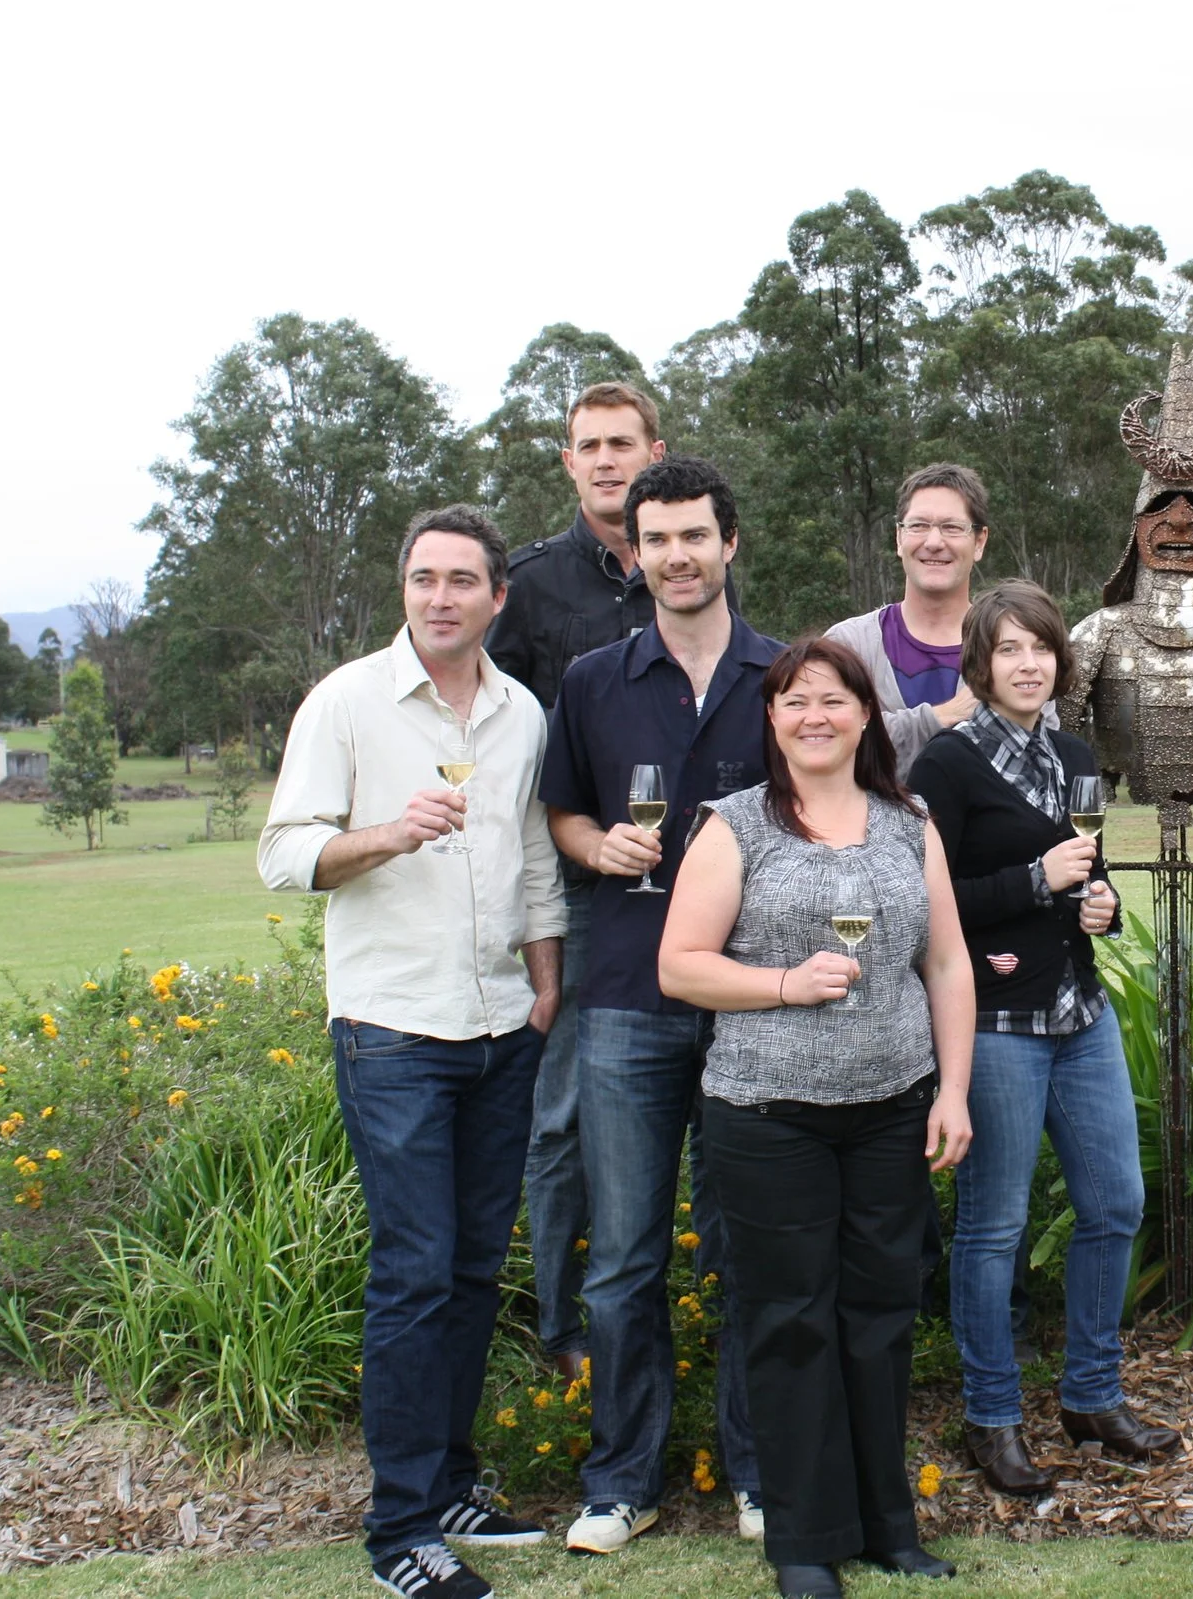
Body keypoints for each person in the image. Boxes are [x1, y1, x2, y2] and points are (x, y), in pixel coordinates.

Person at [259, 505, 563, 1599]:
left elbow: (532, 852)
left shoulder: (521, 712)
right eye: (423, 577)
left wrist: (546, 979)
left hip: (498, 1027)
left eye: (462, 580)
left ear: (497, 597)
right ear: (404, 589)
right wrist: (387, 830)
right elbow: (283, 852)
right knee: (414, 1271)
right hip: (393, 1028)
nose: (441, 596)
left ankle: (450, 1485)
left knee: (475, 1270)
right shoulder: (346, 701)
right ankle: (400, 1531)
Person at [658, 637, 976, 1599]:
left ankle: (889, 1524)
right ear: (773, 719)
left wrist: (953, 1090)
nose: (814, 716)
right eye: (794, 701)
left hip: (892, 1109)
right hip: (768, 1113)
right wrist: (787, 985)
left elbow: (948, 964)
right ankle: (803, 1539)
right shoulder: (737, 826)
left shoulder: (906, 821)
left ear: (865, 713)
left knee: (880, 1317)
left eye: (833, 699)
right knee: (790, 1320)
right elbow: (680, 966)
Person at [537, 455, 780, 1553]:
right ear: (633, 554)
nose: (677, 555)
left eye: (696, 535)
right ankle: (620, 1479)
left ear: (730, 544)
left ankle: (758, 1471)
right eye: (657, 539)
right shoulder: (591, 680)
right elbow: (564, 820)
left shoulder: (787, 676)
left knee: (747, 1250)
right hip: (628, 997)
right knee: (626, 1254)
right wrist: (602, 846)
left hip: (749, 1004)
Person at [909, 581, 1181, 1497]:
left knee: (1115, 1204)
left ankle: (1091, 1394)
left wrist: (1097, 904)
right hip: (993, 1024)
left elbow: (1086, 876)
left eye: (1042, 649)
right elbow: (925, 905)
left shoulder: (1073, 753)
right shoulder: (945, 766)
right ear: (979, 664)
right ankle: (992, 1416)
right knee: (995, 1227)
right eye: (1010, 650)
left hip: (1080, 1014)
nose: (1029, 665)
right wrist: (1035, 877)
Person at [485, 379, 732, 1384]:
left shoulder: (696, 561)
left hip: (711, 900)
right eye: (585, 444)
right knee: (569, 1112)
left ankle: (718, 1323)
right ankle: (565, 1331)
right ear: (568, 462)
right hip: (586, 888)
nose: (603, 457)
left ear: (652, 449)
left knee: (722, 1114)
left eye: (620, 441)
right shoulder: (534, 586)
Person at [825, 463, 996, 777]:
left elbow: (1041, 758)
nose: (933, 542)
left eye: (952, 527)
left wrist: (883, 728)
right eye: (918, 525)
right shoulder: (848, 646)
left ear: (980, 541)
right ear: (899, 538)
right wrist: (939, 718)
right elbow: (825, 746)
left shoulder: (1015, 648)